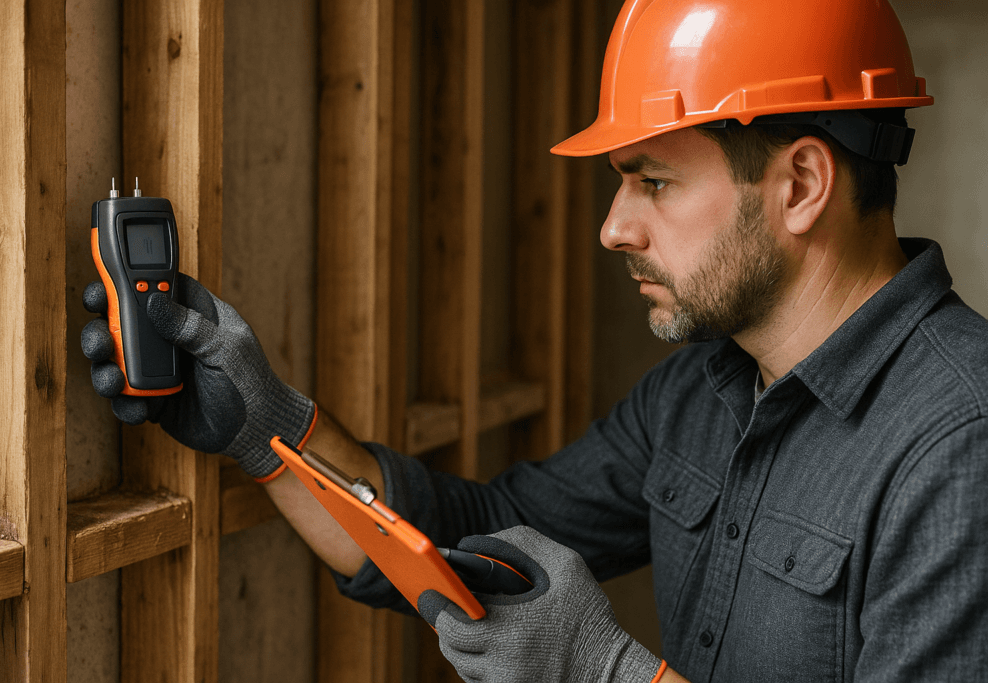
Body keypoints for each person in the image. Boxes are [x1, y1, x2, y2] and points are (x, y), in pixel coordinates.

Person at [81, 0, 988, 680]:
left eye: (654, 182)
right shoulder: (700, 393)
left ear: (799, 185)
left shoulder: (959, 449)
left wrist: (602, 671)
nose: (613, 227)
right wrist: (267, 428)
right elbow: (472, 539)